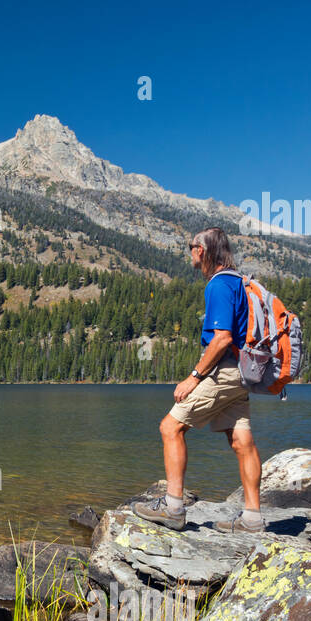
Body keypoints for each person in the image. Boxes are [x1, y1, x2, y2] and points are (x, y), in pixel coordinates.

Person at [133, 228, 263, 533]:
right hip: (243, 374)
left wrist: (194, 377)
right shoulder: (240, 282)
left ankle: (174, 508)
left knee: (171, 427)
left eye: (191, 247)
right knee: (241, 440)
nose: (189, 252)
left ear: (202, 251)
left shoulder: (218, 285)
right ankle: (253, 518)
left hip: (225, 371)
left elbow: (221, 340)